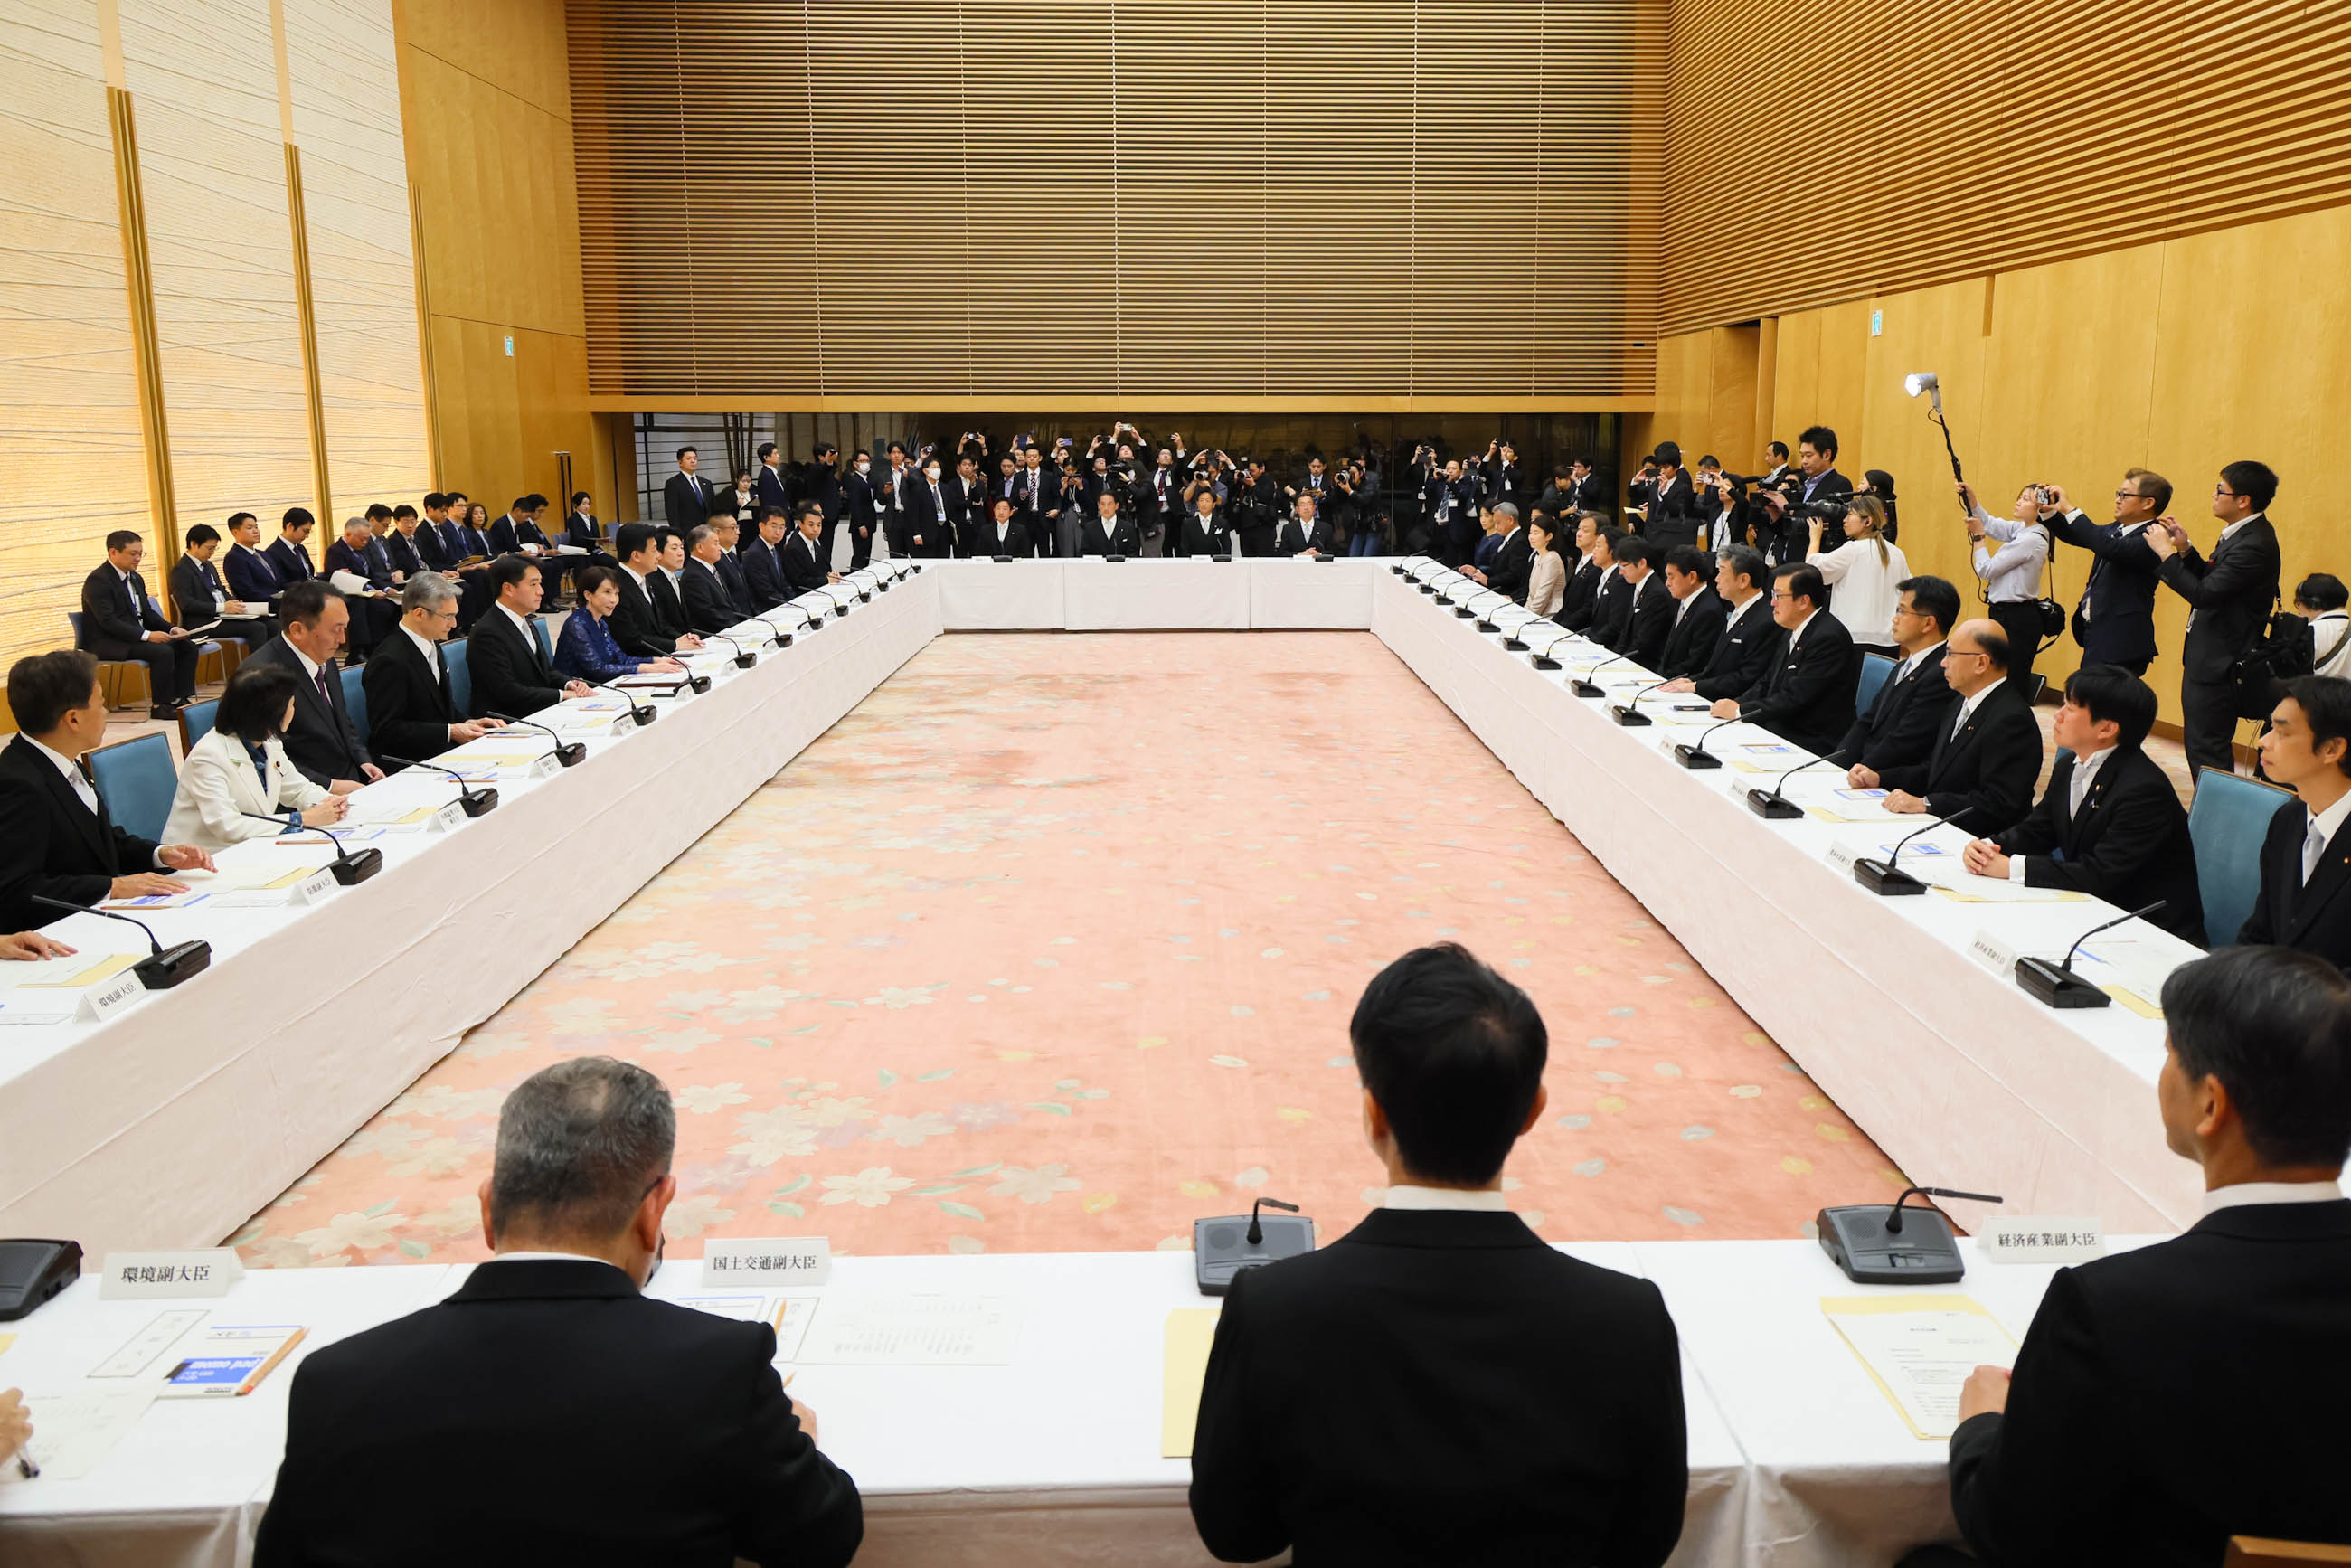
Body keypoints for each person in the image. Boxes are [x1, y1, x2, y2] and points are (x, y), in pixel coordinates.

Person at [252, 1056, 863, 1568]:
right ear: (655, 1212)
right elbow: (822, 1538)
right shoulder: (720, 1368)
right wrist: (798, 1444)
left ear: (488, 1211)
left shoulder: (336, 1380)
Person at [1188, 943, 1685, 1566]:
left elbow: (1238, 1535)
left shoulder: (1271, 1308)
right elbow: (1645, 1543)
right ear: (1533, 1111)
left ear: (1373, 1114)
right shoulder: (1630, 1320)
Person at [1896, 944, 2351, 1568]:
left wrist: (1980, 1427)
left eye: (2170, 1057)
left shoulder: (2112, 1307)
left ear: (2212, 1105)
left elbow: (2010, 1530)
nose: (2163, 1074)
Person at [1961, 665, 2205, 942]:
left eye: (2070, 707)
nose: (2058, 714)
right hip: (2093, 913)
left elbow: (2100, 873)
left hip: (2148, 931)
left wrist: (2013, 868)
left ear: (2106, 728)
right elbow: (2037, 830)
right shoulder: (2069, 765)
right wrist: (1989, 847)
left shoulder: (2144, 790)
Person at [0, 650, 215, 930]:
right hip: (59, 932)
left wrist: (159, 854)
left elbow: (98, 840)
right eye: (101, 704)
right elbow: (18, 889)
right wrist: (111, 887)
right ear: (73, 719)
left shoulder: (62, 760)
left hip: (98, 917)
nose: (105, 713)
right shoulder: (17, 784)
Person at [2149, 460, 2286, 780]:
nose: (2213, 495)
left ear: (2243, 500)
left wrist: (2165, 554)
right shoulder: (2243, 534)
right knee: (2201, 748)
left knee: (2207, 751)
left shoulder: (2254, 544)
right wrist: (2184, 549)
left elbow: (2204, 595)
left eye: (2219, 490)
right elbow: (2215, 583)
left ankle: (2217, 824)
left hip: (2220, 665)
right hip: (2209, 658)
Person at [1877, 619, 2042, 831]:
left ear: (1981, 663)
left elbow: (1999, 803)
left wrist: (1927, 804)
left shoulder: (2012, 720)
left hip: (1978, 841)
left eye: (1951, 655)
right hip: (1940, 824)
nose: (1943, 663)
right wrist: (1880, 777)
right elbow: (1937, 770)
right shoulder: (1959, 702)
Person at [163, 662, 346, 850]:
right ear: (272, 714)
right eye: (292, 705)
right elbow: (228, 826)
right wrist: (303, 819)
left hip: (249, 850)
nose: (294, 711)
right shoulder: (208, 757)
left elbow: (297, 790)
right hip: (203, 858)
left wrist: (328, 803)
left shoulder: (270, 743)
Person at [2237, 676, 2351, 968]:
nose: (2264, 741)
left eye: (2282, 733)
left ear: (2332, 749)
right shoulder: (2288, 820)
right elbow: (2260, 931)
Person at [244, 582, 382, 794]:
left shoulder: (324, 657)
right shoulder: (261, 675)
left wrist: (363, 761)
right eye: (336, 629)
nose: (343, 639)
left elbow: (341, 721)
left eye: (345, 627)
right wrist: (329, 785)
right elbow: (263, 757)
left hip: (350, 780)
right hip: (302, 795)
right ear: (297, 630)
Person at [1710, 562, 1858, 754]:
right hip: (1781, 725)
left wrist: (1740, 711)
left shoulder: (1828, 638)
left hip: (1810, 739)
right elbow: (1767, 682)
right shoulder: (1793, 629)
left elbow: (1795, 698)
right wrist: (1736, 705)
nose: (1772, 602)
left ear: (1804, 601)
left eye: (1778, 596)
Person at [364, 575, 502, 769]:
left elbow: (441, 707)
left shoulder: (430, 642)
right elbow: (387, 730)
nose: (454, 624)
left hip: (438, 748)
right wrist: (449, 731)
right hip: (408, 761)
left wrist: (470, 722)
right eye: (448, 617)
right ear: (419, 614)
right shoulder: (389, 660)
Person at [1832, 576, 1959, 786]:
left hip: (1894, 781)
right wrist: (1835, 765)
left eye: (1901, 611)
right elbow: (1866, 721)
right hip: (1864, 771)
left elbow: (1905, 740)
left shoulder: (1941, 673)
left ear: (1928, 623)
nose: (1894, 619)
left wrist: (1860, 771)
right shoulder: (1903, 666)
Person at [78, 529, 199, 719]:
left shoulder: (135, 578)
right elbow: (108, 621)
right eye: (132, 554)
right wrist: (148, 636)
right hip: (108, 641)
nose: (138, 559)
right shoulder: (98, 581)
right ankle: (161, 705)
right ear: (113, 553)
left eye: (140, 553)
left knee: (187, 646)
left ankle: (180, 699)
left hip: (133, 637)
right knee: (162, 651)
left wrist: (171, 628)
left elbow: (147, 613)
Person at [468, 556, 589, 720]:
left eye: (540, 583)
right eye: (533, 584)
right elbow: (507, 692)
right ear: (508, 589)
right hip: (507, 720)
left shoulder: (526, 622)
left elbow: (546, 670)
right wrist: (563, 695)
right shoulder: (488, 632)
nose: (541, 591)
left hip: (536, 709)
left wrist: (569, 684)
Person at [1959, 482, 2051, 689]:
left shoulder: (2032, 539)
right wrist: (1972, 500)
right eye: (2020, 496)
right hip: (2006, 614)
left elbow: (1986, 569)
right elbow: (1991, 524)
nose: (2019, 501)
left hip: (2017, 618)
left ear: (2041, 509)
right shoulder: (2023, 530)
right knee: (1996, 676)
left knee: (2011, 681)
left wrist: (1979, 537)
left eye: (2026, 499)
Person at [1662, 544, 1777, 700]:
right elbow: (1715, 669)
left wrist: (1696, 686)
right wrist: (1692, 680)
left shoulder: (1765, 621)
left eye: (1722, 572)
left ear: (1743, 580)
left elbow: (1746, 677)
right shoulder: (1738, 612)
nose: (1716, 579)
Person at [1807, 495, 1907, 651]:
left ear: (1867, 522)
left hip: (1852, 638)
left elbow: (1813, 571)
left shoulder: (1853, 549)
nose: (1844, 520)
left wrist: (1814, 538)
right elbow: (1907, 592)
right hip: (1889, 640)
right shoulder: (1897, 553)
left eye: (1850, 514)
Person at [555, 566, 683, 687]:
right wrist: (644, 667)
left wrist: (656, 661)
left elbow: (621, 659)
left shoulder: (601, 623)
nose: (614, 600)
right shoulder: (577, 625)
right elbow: (597, 670)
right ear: (588, 595)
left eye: (616, 593)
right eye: (607, 592)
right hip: (580, 692)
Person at [171, 523, 273, 647]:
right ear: (193, 544)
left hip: (224, 616)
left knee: (271, 623)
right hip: (204, 622)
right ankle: (258, 667)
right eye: (210, 548)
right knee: (257, 628)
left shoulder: (208, 565)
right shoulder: (181, 570)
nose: (212, 553)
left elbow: (221, 590)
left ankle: (277, 665)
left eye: (215, 548)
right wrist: (222, 607)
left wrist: (235, 604)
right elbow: (187, 604)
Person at [609, 524, 699, 659]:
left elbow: (660, 624)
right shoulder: (616, 587)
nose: (658, 555)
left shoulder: (645, 579)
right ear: (636, 556)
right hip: (638, 662)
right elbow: (630, 638)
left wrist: (683, 639)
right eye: (654, 550)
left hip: (658, 655)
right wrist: (674, 645)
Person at [323, 515, 401, 658]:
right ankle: (363, 649)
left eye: (367, 539)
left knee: (394, 603)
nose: (365, 542)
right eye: (361, 539)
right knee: (372, 606)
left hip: (368, 591)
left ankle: (389, 643)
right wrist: (370, 591)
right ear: (348, 534)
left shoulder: (363, 549)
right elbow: (342, 580)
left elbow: (373, 575)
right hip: (350, 594)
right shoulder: (335, 551)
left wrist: (386, 589)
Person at [1656, 545, 1726, 682]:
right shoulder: (1683, 600)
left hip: (1684, 685)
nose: (1667, 583)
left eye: (1672, 577)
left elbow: (1695, 663)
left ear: (1692, 577)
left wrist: (1662, 679)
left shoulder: (1708, 610)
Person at [1607, 535, 1674, 667]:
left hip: (1645, 665)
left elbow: (1644, 642)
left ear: (1642, 563)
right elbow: (1626, 632)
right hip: (1630, 659)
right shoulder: (1639, 586)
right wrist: (1614, 658)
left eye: (1624, 566)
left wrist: (1618, 664)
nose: (1620, 572)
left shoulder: (1657, 594)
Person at [680, 524, 747, 635]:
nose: (719, 548)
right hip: (715, 634)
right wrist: (736, 628)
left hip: (731, 626)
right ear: (700, 547)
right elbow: (708, 613)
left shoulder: (711, 567)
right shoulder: (693, 576)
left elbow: (729, 604)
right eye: (715, 544)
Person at [1461, 503, 1529, 598]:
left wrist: (1489, 581)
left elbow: (1515, 574)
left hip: (1507, 593)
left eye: (1498, 522)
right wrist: (1477, 572)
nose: (1496, 527)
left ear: (1510, 520)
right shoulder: (1509, 538)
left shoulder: (1519, 541)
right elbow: (1499, 567)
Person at [1581, 528, 1635, 645]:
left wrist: (1591, 643)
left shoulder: (1620, 580)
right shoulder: (1604, 576)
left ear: (1613, 551)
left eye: (1598, 546)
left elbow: (1616, 625)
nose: (1594, 551)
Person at [2294, 573, 2351, 679]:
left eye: (2298, 603)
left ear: (2314, 603)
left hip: (2318, 694)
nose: (2298, 611)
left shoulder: (2310, 631)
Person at [222, 511, 286, 606]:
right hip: (263, 608)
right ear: (235, 532)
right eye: (250, 528)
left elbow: (280, 582)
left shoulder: (264, 554)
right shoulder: (234, 558)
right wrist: (282, 602)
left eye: (256, 527)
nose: (256, 531)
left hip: (281, 604)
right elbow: (248, 593)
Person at [1555, 515, 1606, 628]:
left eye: (1585, 530)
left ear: (1599, 536)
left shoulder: (1598, 568)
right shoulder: (1582, 560)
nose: (1578, 534)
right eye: (1579, 529)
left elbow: (1588, 608)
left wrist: (1562, 627)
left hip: (1578, 629)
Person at [738, 508, 790, 614]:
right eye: (773, 526)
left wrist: (794, 601)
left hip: (778, 604)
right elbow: (766, 592)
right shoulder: (755, 553)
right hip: (764, 610)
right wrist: (789, 606)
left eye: (781, 527)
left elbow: (783, 582)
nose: (778, 532)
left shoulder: (773, 547)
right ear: (761, 526)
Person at [1794, 424, 1850, 512]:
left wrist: (1788, 508)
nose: (1804, 461)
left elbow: (1823, 520)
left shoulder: (1841, 484)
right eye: (1802, 456)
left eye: (1809, 455)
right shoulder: (1803, 483)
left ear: (1827, 455)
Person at [782, 506, 840, 590]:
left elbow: (824, 569)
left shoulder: (814, 542)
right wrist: (826, 580)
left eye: (819, 525)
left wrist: (832, 575)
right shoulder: (794, 547)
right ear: (800, 524)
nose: (815, 529)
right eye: (811, 525)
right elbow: (799, 581)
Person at [662, 445, 714, 534]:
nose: (693, 461)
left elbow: (712, 508)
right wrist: (678, 534)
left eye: (695, 458)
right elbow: (672, 512)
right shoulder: (673, 483)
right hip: (687, 532)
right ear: (680, 462)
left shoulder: (706, 483)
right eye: (689, 459)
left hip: (707, 532)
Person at [1524, 515, 1567, 618]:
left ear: (1549, 536)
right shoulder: (1539, 556)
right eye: (1530, 533)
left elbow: (1542, 596)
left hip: (1549, 615)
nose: (1531, 537)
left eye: (1536, 533)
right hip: (1535, 613)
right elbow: (1531, 595)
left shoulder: (1552, 559)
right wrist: (1524, 612)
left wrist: (1528, 617)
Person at [267, 508, 320, 587]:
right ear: (290, 526)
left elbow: (308, 576)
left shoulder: (301, 548)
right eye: (305, 531)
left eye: (309, 532)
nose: (307, 536)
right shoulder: (272, 553)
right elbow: (281, 584)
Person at [1077, 489, 1138, 557]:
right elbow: (1084, 554)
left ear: (1116, 506)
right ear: (1098, 505)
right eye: (1103, 504)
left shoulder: (1127, 527)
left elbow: (1134, 553)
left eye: (1110, 504)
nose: (1106, 508)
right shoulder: (1090, 528)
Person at [973, 496, 1034, 561]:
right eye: (998, 508)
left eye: (1005, 509)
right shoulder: (985, 530)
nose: (1001, 512)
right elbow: (979, 554)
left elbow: (1027, 554)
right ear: (994, 510)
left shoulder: (1020, 530)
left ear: (1011, 512)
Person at [1276, 492, 1335, 558]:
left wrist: (1320, 554)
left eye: (1309, 504)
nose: (1306, 508)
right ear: (1297, 509)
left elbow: (1333, 551)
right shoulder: (1288, 529)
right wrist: (1300, 554)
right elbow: (1282, 553)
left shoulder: (1326, 528)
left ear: (1314, 508)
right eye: (1302, 505)